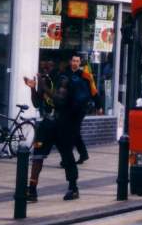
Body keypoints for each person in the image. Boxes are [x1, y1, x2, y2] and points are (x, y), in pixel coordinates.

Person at [23, 73, 79, 202]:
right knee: (37, 156)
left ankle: (73, 187)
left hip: (62, 126)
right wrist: (33, 88)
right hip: (46, 125)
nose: (44, 71)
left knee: (67, 157)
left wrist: (43, 86)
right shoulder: (46, 84)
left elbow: (59, 101)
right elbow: (37, 103)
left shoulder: (65, 85)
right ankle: (32, 189)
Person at [59, 54, 96, 169]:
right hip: (67, 107)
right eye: (73, 60)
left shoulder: (84, 75)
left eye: (77, 61)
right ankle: (81, 154)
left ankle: (68, 159)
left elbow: (93, 90)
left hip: (80, 108)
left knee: (73, 132)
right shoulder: (65, 74)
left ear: (80, 63)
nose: (75, 63)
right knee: (70, 132)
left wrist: (98, 105)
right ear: (70, 62)